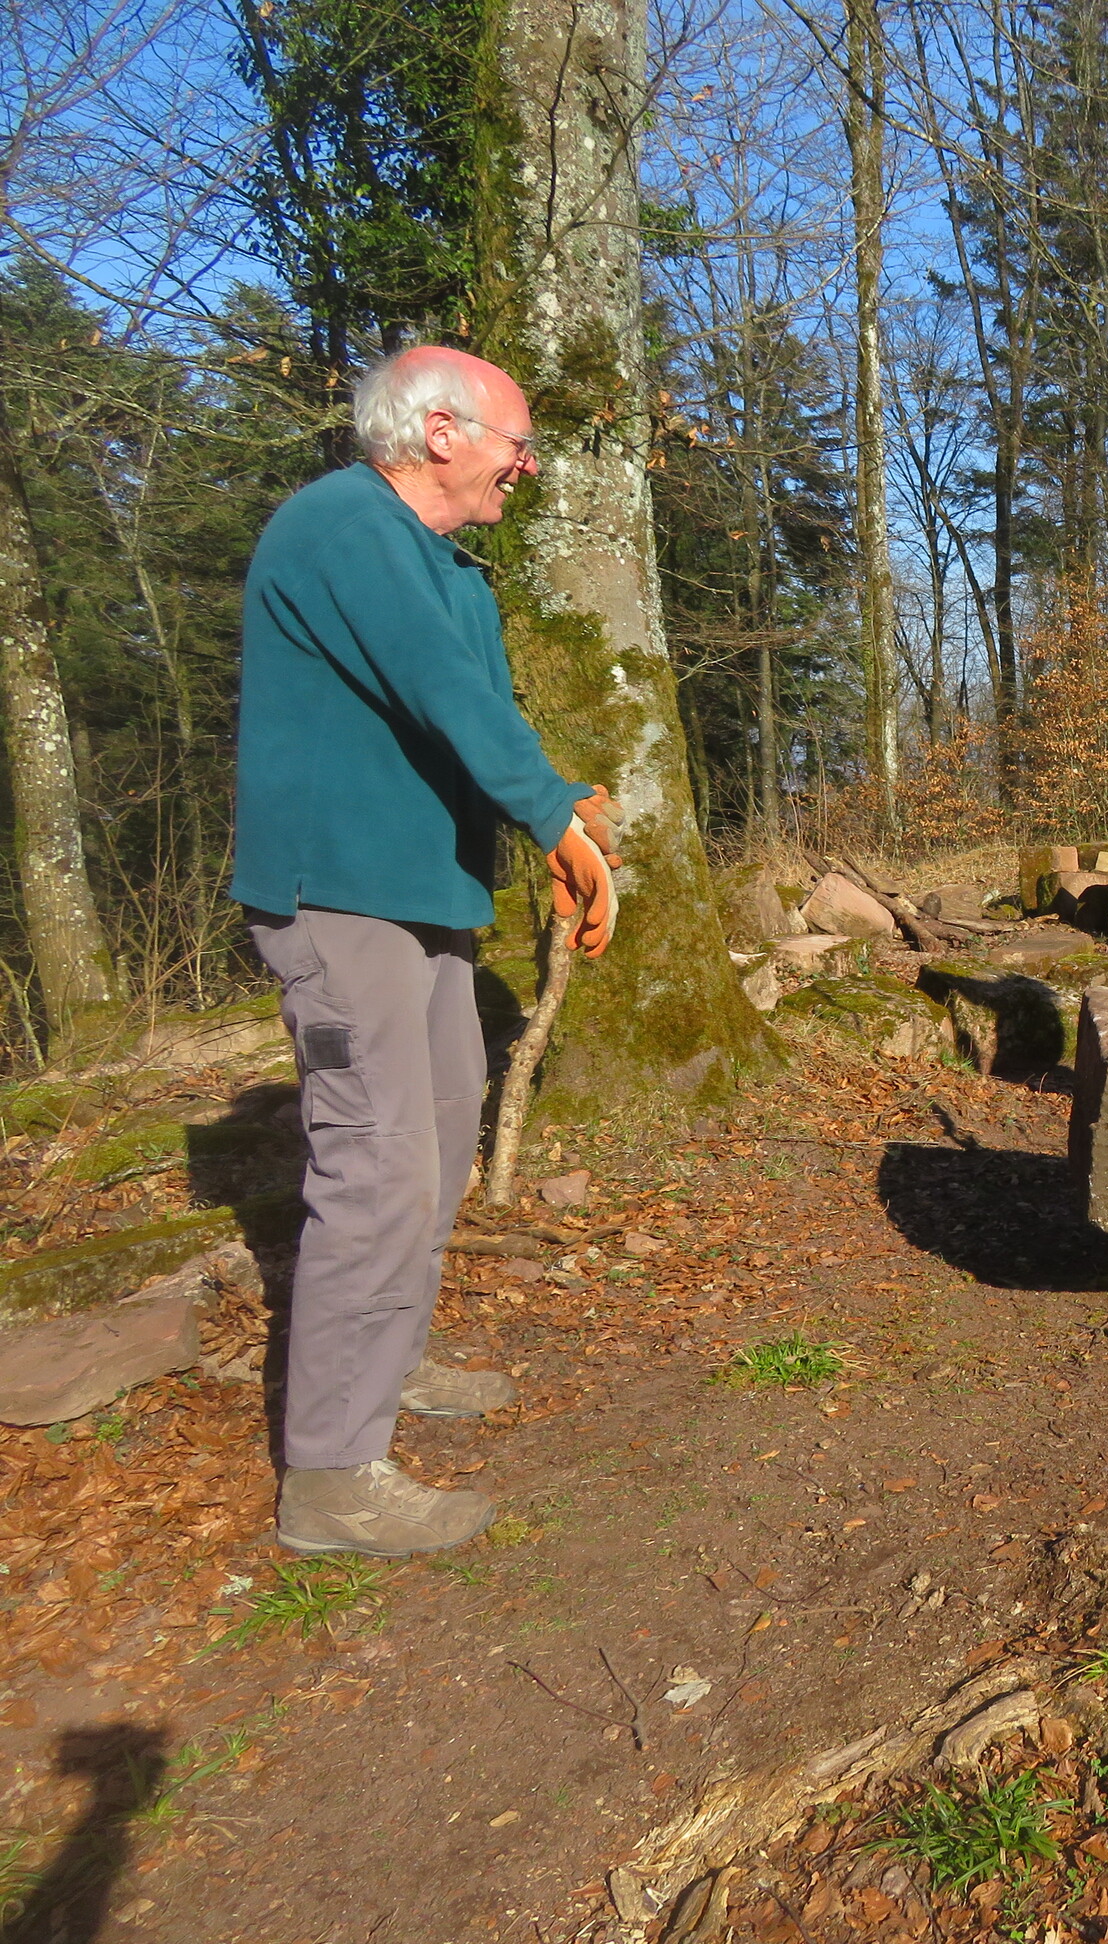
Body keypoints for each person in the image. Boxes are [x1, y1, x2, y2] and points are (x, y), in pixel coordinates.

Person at [233, 344, 621, 1556]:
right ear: (441, 432)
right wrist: (549, 816)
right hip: (341, 901)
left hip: (424, 901)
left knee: (442, 1136)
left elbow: (473, 713)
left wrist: (557, 811)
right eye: (517, 442)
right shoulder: (345, 525)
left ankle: (388, 1360)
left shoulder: (442, 563)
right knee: (380, 1165)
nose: (527, 464)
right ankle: (332, 1480)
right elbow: (440, 688)